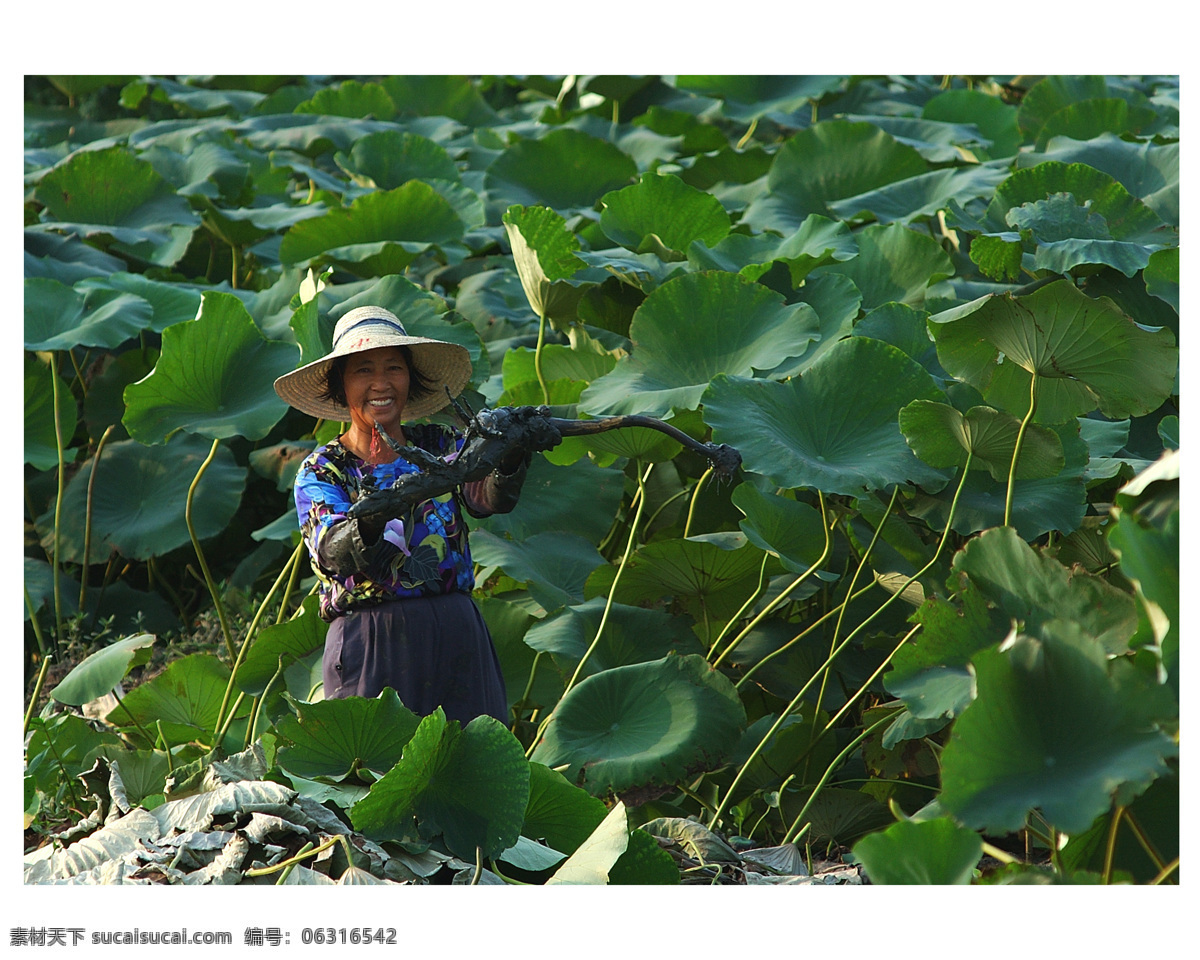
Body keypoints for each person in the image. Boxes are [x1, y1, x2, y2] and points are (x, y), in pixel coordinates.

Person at [273, 305, 533, 724]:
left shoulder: (441, 441)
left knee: (470, 770)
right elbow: (331, 551)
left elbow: (488, 500)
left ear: (410, 379)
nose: (381, 384)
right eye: (363, 371)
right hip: (373, 641)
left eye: (394, 368)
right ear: (341, 385)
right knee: (377, 776)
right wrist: (380, 509)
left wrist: (513, 451)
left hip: (456, 632)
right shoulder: (325, 469)